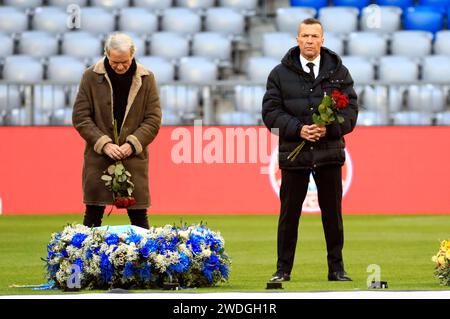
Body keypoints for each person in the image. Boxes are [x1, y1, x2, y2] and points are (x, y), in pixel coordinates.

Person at [262, 18, 358, 282]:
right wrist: (298, 129)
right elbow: (270, 113)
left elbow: (351, 112)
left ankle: (337, 269)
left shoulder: (340, 72)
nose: (309, 41)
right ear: (297, 39)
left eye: (314, 36)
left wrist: (330, 129)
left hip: (329, 153)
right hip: (294, 153)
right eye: (305, 36)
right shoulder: (279, 74)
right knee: (289, 216)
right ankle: (283, 270)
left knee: (333, 215)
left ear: (322, 40)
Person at [72, 32, 162, 229]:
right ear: (106, 54)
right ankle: (87, 260)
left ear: (133, 55)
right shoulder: (90, 76)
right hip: (99, 158)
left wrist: (132, 144)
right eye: (115, 62)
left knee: (139, 218)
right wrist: (104, 144)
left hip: (133, 158)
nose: (120, 66)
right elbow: (80, 117)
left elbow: (153, 119)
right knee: (93, 216)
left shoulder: (147, 78)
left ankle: (143, 259)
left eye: (125, 62)